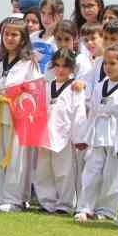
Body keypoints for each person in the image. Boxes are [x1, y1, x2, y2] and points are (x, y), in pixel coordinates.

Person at [0, 15, 42, 213]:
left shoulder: (29, 63)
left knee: (16, 158)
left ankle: (12, 198)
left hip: (17, 116)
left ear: (23, 38)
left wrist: (15, 94)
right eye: (7, 34)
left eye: (15, 35)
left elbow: (35, 90)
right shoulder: (0, 60)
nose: (10, 38)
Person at [76, 44, 118, 222]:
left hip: (116, 136)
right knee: (91, 172)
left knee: (113, 175)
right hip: (97, 134)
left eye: (112, 63)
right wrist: (85, 136)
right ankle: (86, 207)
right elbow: (93, 111)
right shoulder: (101, 84)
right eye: (105, 64)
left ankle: (107, 210)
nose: (108, 67)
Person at [31, 48, 87, 213]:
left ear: (72, 68)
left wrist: (79, 138)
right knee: (43, 171)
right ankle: (47, 202)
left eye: (65, 66)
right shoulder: (47, 86)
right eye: (57, 65)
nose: (61, 70)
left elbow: (79, 113)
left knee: (64, 172)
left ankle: (65, 204)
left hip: (65, 136)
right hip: (44, 134)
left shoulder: (75, 87)